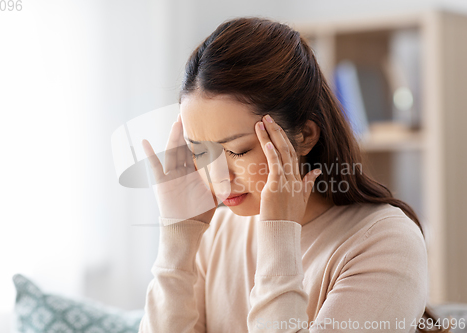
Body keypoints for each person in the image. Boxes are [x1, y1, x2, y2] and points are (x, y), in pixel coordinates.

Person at [138, 17, 437, 333]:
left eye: (238, 151)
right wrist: (177, 242)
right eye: (200, 152)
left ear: (305, 135)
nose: (219, 176)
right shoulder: (216, 233)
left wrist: (279, 235)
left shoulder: (384, 241)